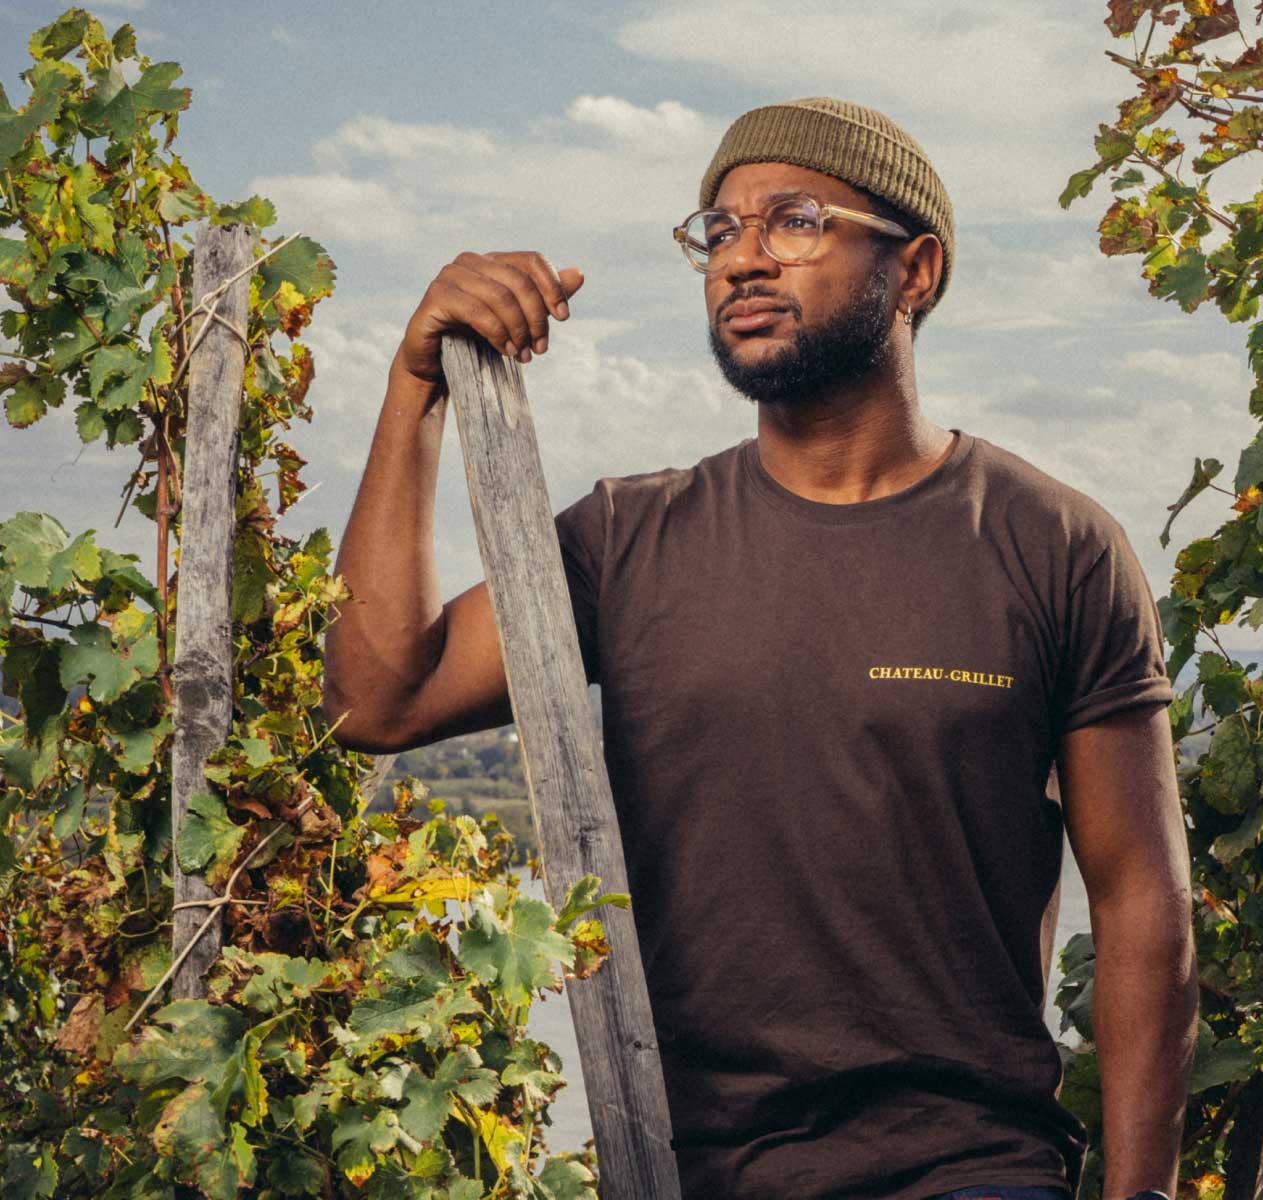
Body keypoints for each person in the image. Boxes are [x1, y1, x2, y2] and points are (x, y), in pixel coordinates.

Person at [324, 96, 1198, 1200]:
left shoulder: (1054, 546)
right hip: (684, 1169)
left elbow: (1140, 903)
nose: (742, 258)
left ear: (914, 271)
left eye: (794, 222)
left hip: (970, 1168)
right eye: (719, 229)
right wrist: (414, 388)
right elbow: (378, 699)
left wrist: (1142, 1195)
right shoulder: (626, 541)